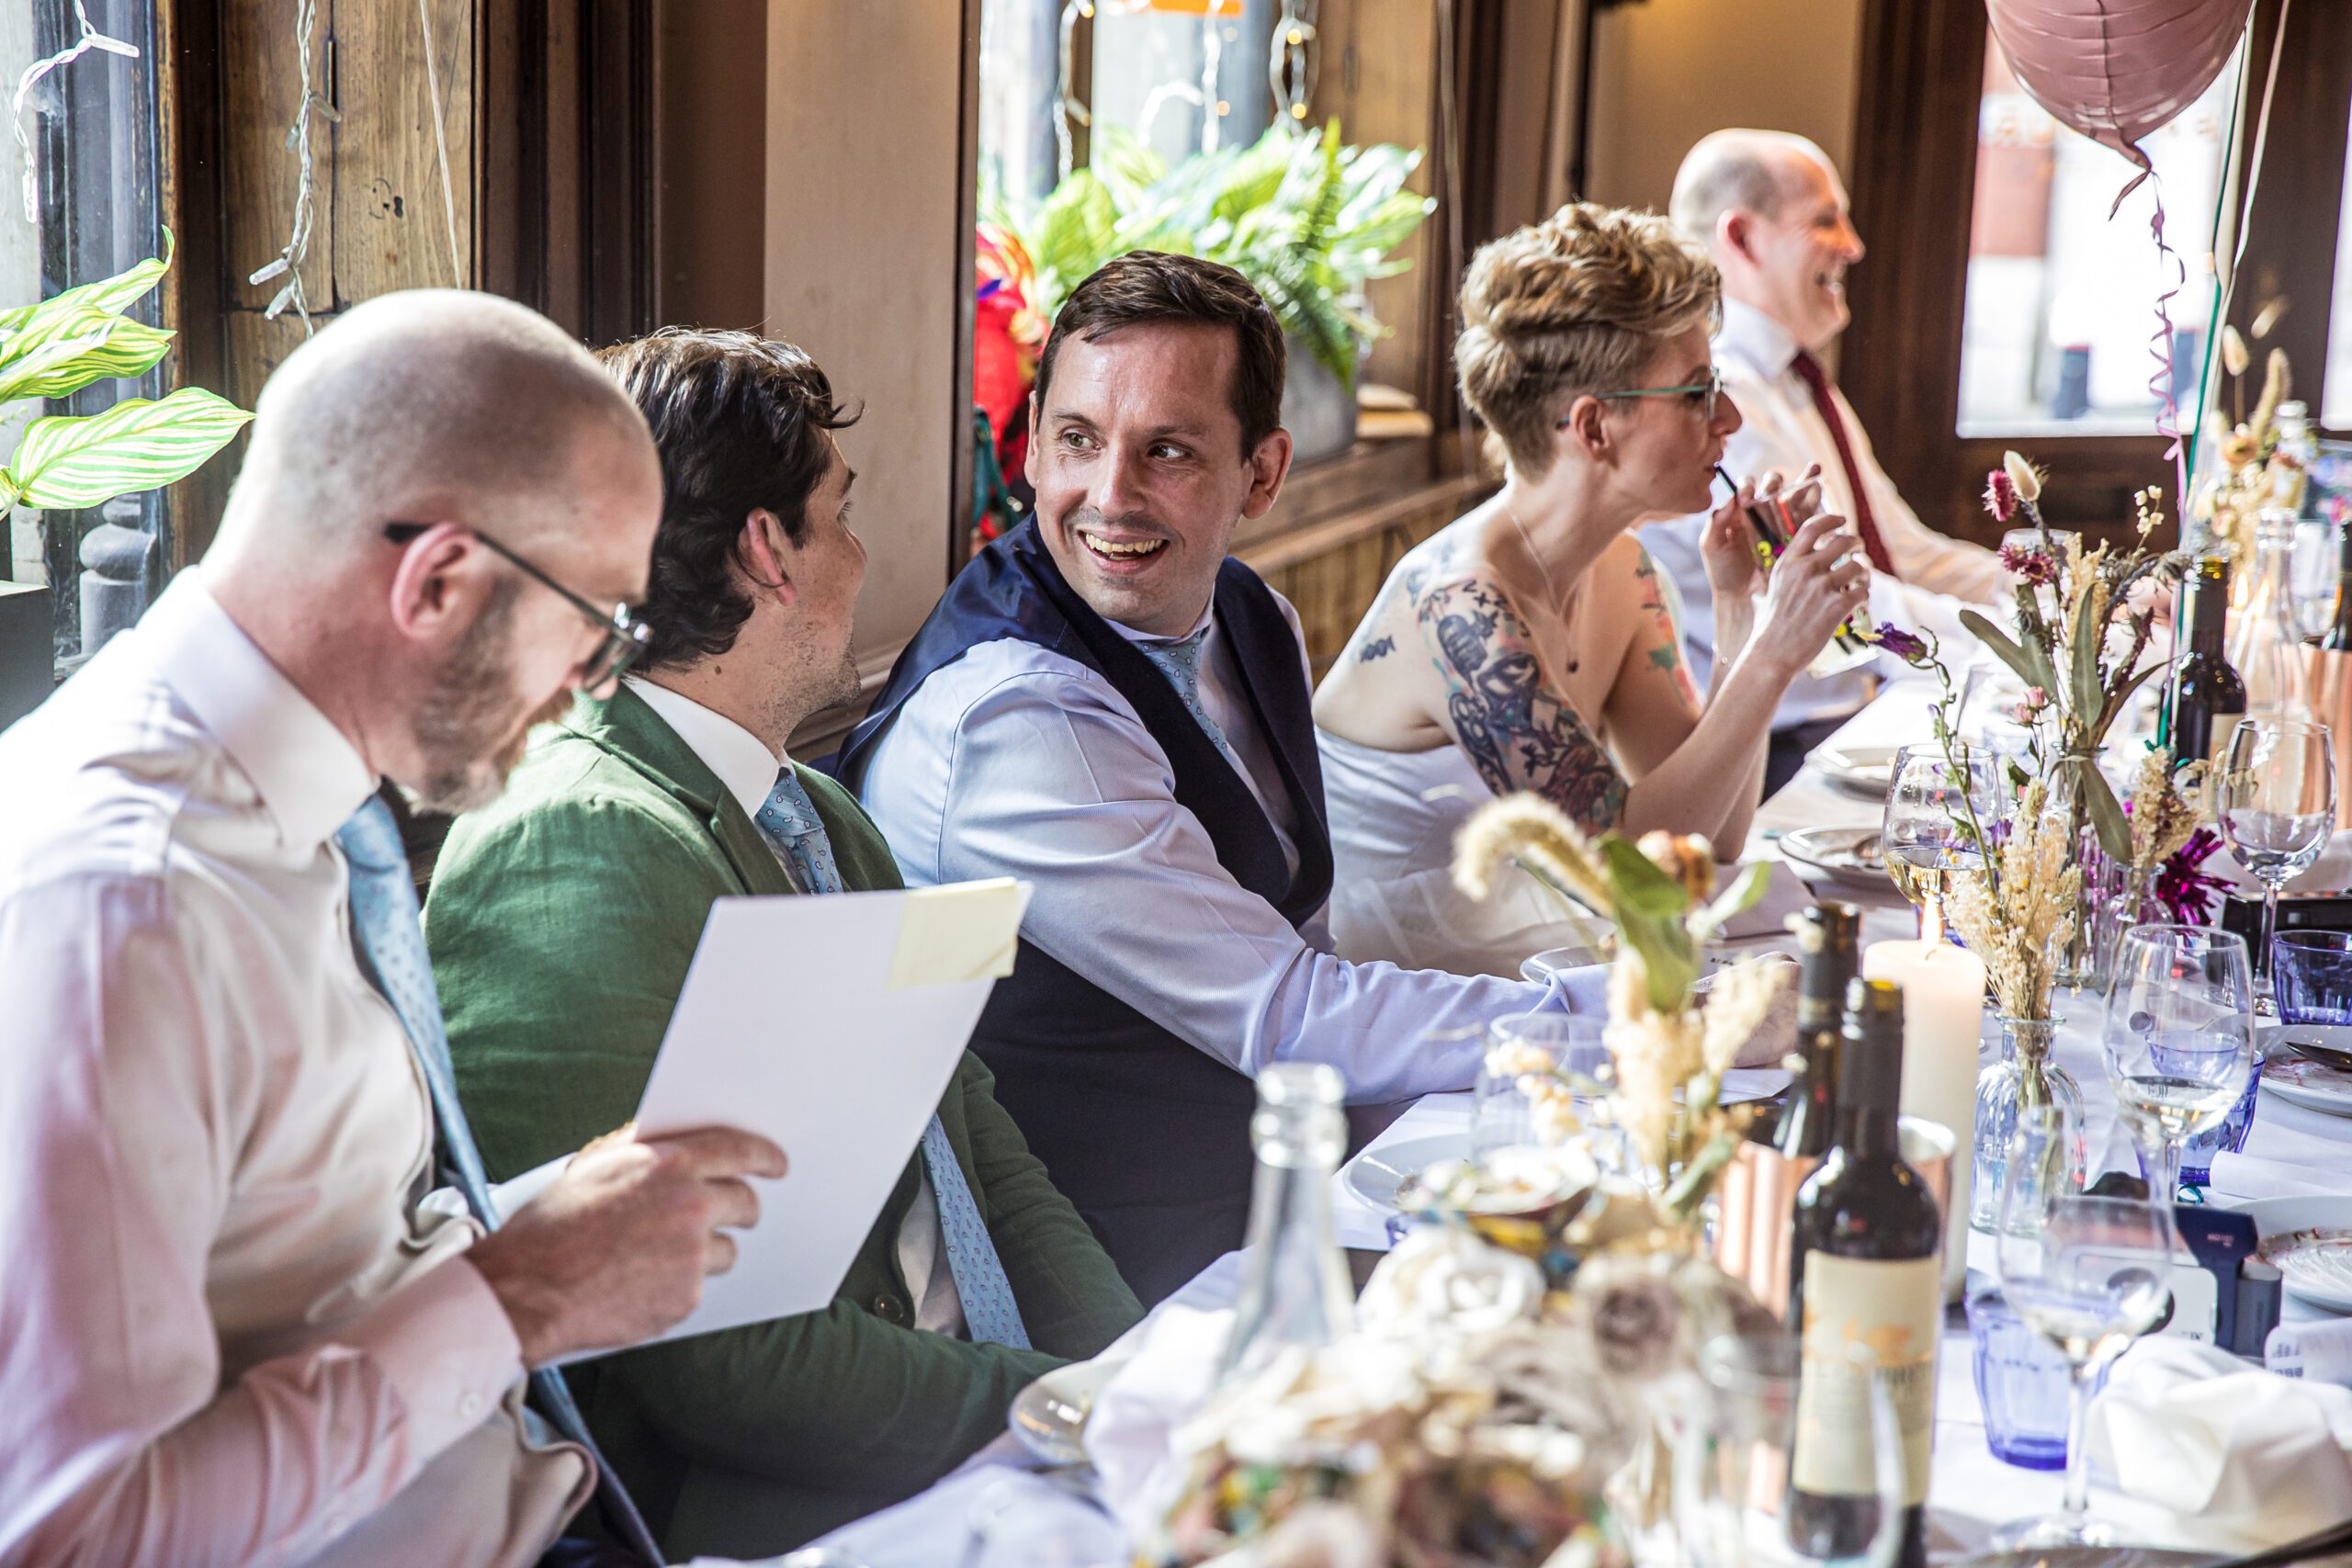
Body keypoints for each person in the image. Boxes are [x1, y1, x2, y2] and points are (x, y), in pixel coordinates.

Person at [0, 290, 787, 1568]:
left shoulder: (296, 813)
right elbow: (78, 1534)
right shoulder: (123, 911)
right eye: (596, 627)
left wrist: (565, 1225)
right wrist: (523, 1293)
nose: (597, 686)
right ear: (438, 580)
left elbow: (306, 1269)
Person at [424, 327, 1143, 1559]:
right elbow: (708, 1356)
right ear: (768, 550)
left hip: (998, 1428)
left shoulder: (820, 813)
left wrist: (1138, 1375)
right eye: (842, 512)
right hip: (789, 1507)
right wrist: (1066, 1415)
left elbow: (980, 1140)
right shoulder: (579, 839)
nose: (864, 557)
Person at [832, 252, 1618, 1307]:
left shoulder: (1250, 617)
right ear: (1028, 450)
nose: (1109, 497)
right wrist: (1609, 1021)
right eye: (1075, 440)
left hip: (1272, 1186)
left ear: (1263, 472)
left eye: (1167, 451)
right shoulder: (1012, 715)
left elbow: (1298, 938)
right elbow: (1284, 1009)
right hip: (1097, 1267)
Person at [1311, 204, 1868, 976]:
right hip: (1406, 1009)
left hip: (1533, 964)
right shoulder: (1460, 607)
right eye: (1697, 394)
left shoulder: (1624, 572)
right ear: (1594, 426)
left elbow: (1704, 844)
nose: (1730, 419)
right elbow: (1624, 878)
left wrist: (1741, 607)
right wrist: (1776, 650)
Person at [1646, 129, 2010, 794]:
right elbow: (1842, 598)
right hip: (1777, 754)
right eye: (1824, 219)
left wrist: (2051, 599)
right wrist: (2013, 650)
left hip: (1847, 719)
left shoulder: (1801, 383)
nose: (1853, 244)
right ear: (1743, 238)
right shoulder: (1728, 399)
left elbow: (1906, 551)